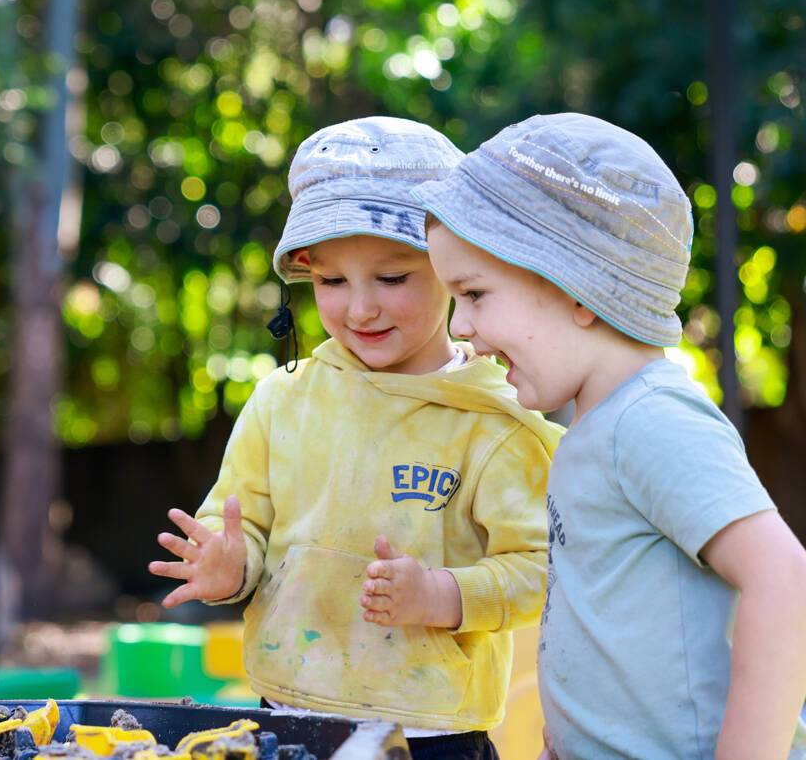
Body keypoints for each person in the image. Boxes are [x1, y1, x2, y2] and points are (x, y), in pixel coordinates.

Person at [150, 118, 560, 760]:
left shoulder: (492, 420)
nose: (360, 308)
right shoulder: (283, 401)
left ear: (454, 270)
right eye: (333, 282)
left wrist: (442, 595)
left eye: (392, 278)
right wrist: (230, 567)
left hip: (429, 732)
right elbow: (243, 528)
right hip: (287, 717)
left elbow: (540, 568)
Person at [414, 112, 806, 760]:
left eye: (475, 294)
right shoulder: (596, 429)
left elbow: (785, 579)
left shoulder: (652, 420)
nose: (461, 326)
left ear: (579, 289)